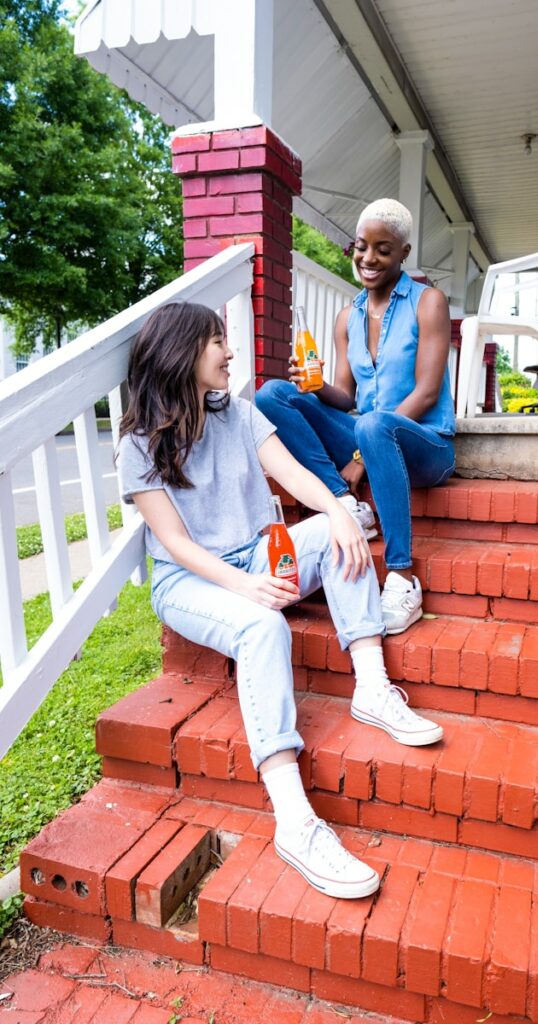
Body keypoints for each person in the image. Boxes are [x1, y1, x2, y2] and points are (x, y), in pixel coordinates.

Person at [116, 301, 443, 901]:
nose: (231, 353)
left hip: (254, 553)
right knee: (263, 629)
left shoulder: (239, 415)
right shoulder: (140, 442)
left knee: (333, 531)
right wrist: (245, 588)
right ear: (183, 351)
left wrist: (339, 511)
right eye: (219, 341)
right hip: (190, 580)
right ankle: (295, 821)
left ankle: (372, 688)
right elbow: (175, 544)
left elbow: (292, 475)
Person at [256, 198, 456, 636]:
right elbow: (345, 396)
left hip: (426, 445)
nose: (369, 258)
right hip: (366, 434)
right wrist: (313, 386)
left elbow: (425, 393)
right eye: (361, 246)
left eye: (384, 249)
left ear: (403, 254)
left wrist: (360, 457)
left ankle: (402, 577)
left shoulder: (429, 303)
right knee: (273, 394)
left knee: (371, 424)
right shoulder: (348, 316)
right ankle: (347, 505)